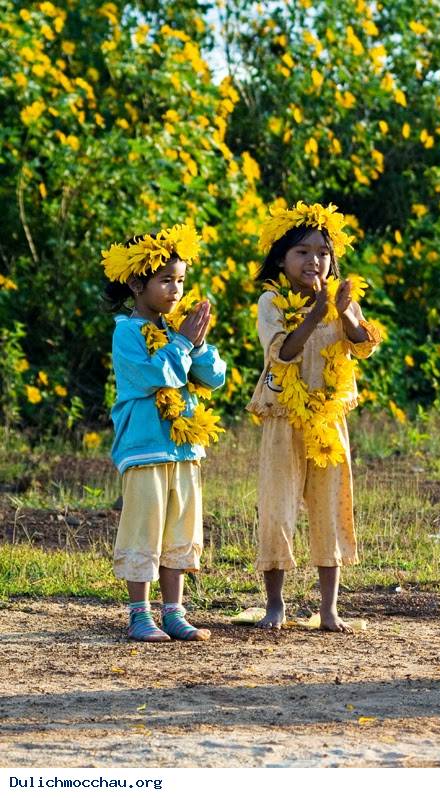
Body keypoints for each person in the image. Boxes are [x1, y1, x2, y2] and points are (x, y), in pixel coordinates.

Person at [248, 201, 382, 632]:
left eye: (322, 252)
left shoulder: (343, 297)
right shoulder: (271, 302)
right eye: (302, 252)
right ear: (281, 260)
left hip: (328, 420)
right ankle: (275, 605)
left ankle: (329, 609)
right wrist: (317, 313)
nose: (314, 261)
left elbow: (363, 345)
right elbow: (282, 354)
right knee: (277, 507)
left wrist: (340, 310)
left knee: (330, 508)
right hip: (283, 417)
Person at [102, 224, 227, 642]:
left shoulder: (180, 331)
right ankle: (140, 613)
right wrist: (183, 345)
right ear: (138, 284)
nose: (176, 290)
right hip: (144, 449)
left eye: (181, 280)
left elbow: (213, 378)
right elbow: (155, 377)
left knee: (181, 530)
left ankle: (173, 611)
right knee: (144, 527)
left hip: (184, 447)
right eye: (166, 280)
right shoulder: (127, 333)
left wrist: (199, 344)